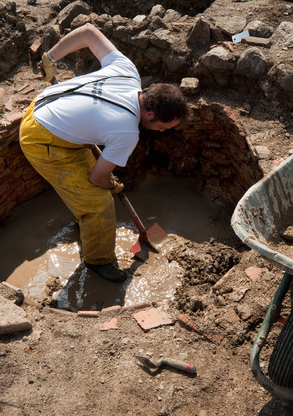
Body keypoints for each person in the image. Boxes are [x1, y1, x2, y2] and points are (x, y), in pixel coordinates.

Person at [19, 23, 189, 283]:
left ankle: (85, 223)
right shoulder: (127, 133)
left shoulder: (128, 71)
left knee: (91, 181)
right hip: (41, 139)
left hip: (45, 103)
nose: (163, 133)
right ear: (151, 114)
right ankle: (99, 261)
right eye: (163, 128)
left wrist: (50, 57)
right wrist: (110, 184)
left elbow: (88, 32)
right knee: (99, 203)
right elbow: (98, 179)